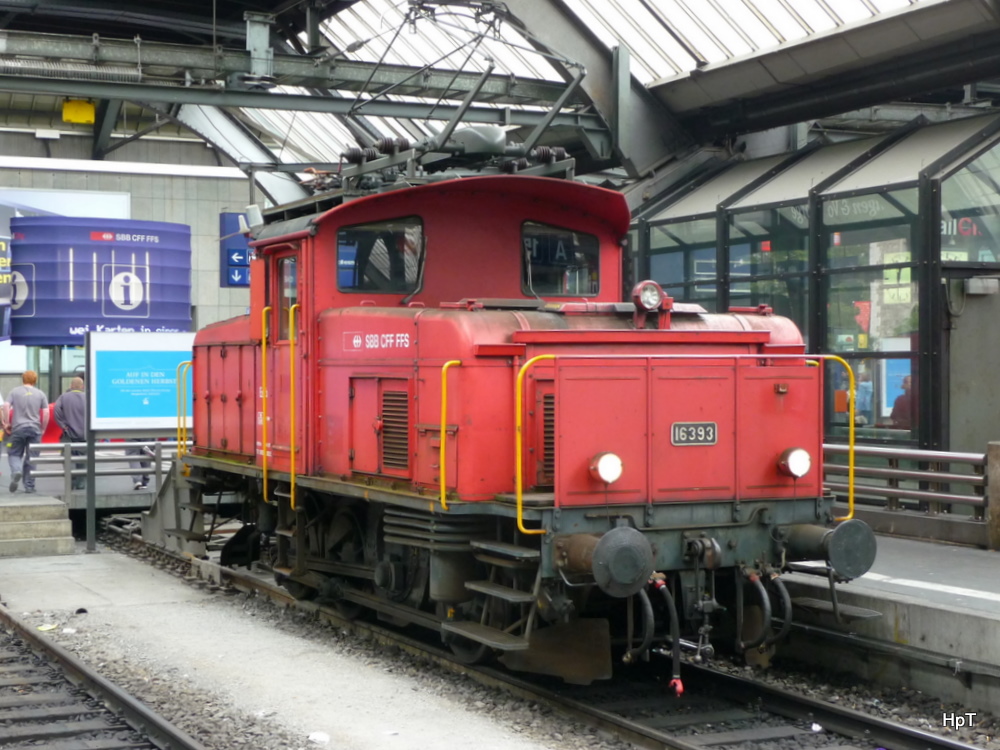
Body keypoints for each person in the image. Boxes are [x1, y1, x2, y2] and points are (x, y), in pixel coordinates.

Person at [2, 370, 49, 494]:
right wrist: (43, 428)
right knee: (32, 457)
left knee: (13, 453)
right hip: (35, 429)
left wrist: (7, 423)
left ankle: (16, 471)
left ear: (22, 379)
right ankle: (29, 486)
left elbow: (6, 406)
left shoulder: (14, 391)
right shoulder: (40, 393)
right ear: (35, 380)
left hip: (18, 428)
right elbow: (46, 412)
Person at [53, 377, 86, 490]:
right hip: (84, 434)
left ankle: (71, 480)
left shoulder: (63, 397)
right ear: (82, 386)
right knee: (83, 459)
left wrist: (63, 425)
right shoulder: (88, 398)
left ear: (71, 386)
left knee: (67, 457)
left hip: (69, 433)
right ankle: (81, 483)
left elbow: (56, 410)